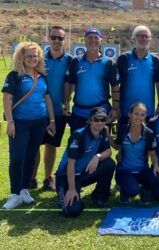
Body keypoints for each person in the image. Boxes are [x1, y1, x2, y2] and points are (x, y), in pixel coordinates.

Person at [2, 42, 56, 209]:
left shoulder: (41, 76)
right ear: (21, 57)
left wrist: (52, 121)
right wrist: (10, 122)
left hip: (39, 123)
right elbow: (6, 99)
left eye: (35, 55)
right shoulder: (14, 75)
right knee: (17, 158)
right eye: (29, 56)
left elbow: (47, 100)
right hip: (20, 123)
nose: (33, 59)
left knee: (31, 157)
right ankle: (14, 194)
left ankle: (25, 190)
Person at [31, 25, 73, 190]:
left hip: (58, 111)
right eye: (54, 37)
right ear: (49, 39)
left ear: (64, 40)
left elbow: (73, 83)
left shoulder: (70, 60)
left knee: (51, 145)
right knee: (34, 145)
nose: (57, 41)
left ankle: (48, 178)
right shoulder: (39, 58)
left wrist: (67, 101)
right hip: (38, 111)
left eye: (60, 38)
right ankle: (32, 178)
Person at [55, 107, 116, 217]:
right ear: (90, 120)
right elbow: (70, 165)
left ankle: (99, 196)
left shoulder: (102, 133)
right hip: (65, 177)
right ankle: (70, 195)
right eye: (96, 120)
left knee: (109, 164)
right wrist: (72, 189)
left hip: (82, 174)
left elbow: (108, 151)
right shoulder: (78, 136)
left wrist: (98, 156)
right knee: (72, 212)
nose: (100, 123)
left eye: (103, 120)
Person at [106, 102, 159, 204]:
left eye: (142, 115)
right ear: (130, 114)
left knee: (157, 177)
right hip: (125, 171)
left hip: (142, 170)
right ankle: (125, 191)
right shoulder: (123, 130)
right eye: (136, 114)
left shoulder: (148, 133)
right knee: (132, 191)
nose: (139, 117)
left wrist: (156, 166)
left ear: (145, 116)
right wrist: (107, 134)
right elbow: (117, 146)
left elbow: (153, 154)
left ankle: (145, 190)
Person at [66, 27, 119, 133]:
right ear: (84, 41)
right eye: (89, 37)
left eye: (96, 38)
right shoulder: (76, 61)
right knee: (77, 147)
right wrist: (66, 102)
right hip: (79, 113)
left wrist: (115, 108)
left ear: (101, 41)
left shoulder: (109, 63)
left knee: (102, 148)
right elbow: (69, 83)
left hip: (101, 113)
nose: (93, 40)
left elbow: (115, 87)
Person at [117, 25, 159, 140]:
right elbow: (116, 84)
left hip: (148, 113)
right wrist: (116, 105)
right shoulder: (124, 58)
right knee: (124, 148)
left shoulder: (155, 60)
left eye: (146, 36)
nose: (143, 39)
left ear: (149, 40)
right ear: (133, 39)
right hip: (126, 112)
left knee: (146, 147)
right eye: (140, 36)